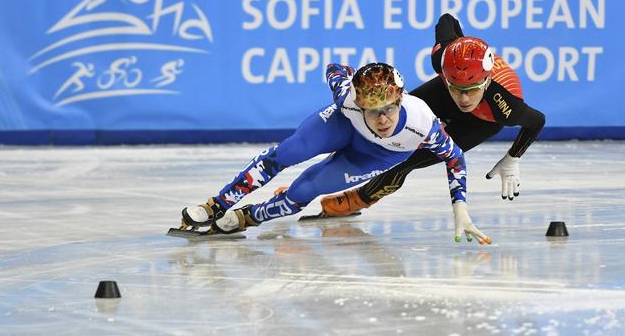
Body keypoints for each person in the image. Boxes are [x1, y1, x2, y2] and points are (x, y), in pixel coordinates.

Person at [180, 61, 491, 244]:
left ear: (400, 100)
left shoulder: (423, 123)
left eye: (388, 110)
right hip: (343, 125)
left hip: (375, 156)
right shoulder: (348, 100)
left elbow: (455, 158)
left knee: (305, 190)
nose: (382, 120)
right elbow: (335, 69)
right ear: (359, 102)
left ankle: (249, 216)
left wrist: (459, 206)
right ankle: (216, 205)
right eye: (372, 111)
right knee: (288, 152)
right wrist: (346, 76)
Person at [318, 13, 545, 218]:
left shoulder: (506, 106)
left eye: (472, 90)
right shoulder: (443, 58)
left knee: (406, 158)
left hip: (481, 122)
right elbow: (447, 20)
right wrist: (460, 49)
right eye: (458, 89)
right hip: (442, 94)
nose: (464, 99)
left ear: (485, 82)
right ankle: (320, 177)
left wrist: (513, 157)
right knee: (385, 125)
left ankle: (359, 199)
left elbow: (537, 121)